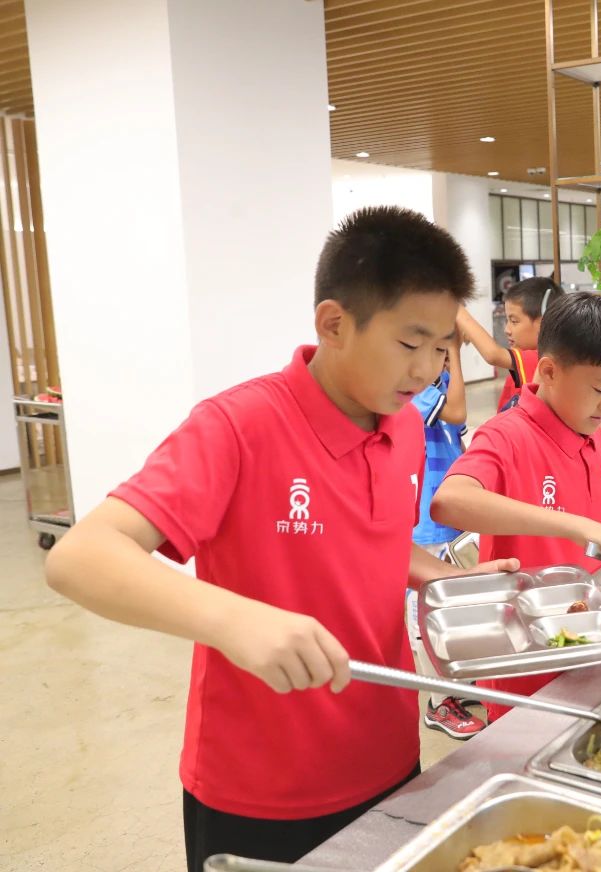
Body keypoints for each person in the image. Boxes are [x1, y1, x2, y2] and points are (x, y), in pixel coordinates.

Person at [43, 206, 517, 872]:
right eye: (410, 345)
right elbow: (81, 558)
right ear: (334, 323)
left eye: (442, 348)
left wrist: (444, 576)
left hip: (386, 752)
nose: (427, 370)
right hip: (261, 784)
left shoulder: (405, 426)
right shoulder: (238, 426)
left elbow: (376, 540)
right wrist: (233, 619)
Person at [431, 294, 601, 720]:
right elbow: (450, 502)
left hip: (588, 641)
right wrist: (574, 525)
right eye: (599, 389)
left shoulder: (591, 436)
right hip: (526, 661)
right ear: (548, 371)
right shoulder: (507, 435)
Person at [406, 336, 485, 739]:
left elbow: (459, 434)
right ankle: (438, 702)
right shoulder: (415, 393)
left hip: (447, 518)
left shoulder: (439, 387)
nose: (444, 359)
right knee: (425, 611)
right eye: (438, 350)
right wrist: (453, 348)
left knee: (453, 607)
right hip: (424, 522)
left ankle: (454, 684)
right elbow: (457, 412)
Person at [456, 276, 565, 412]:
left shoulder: (543, 360)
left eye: (514, 321)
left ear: (544, 323)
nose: (507, 330)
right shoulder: (516, 372)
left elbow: (493, 355)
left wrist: (456, 306)